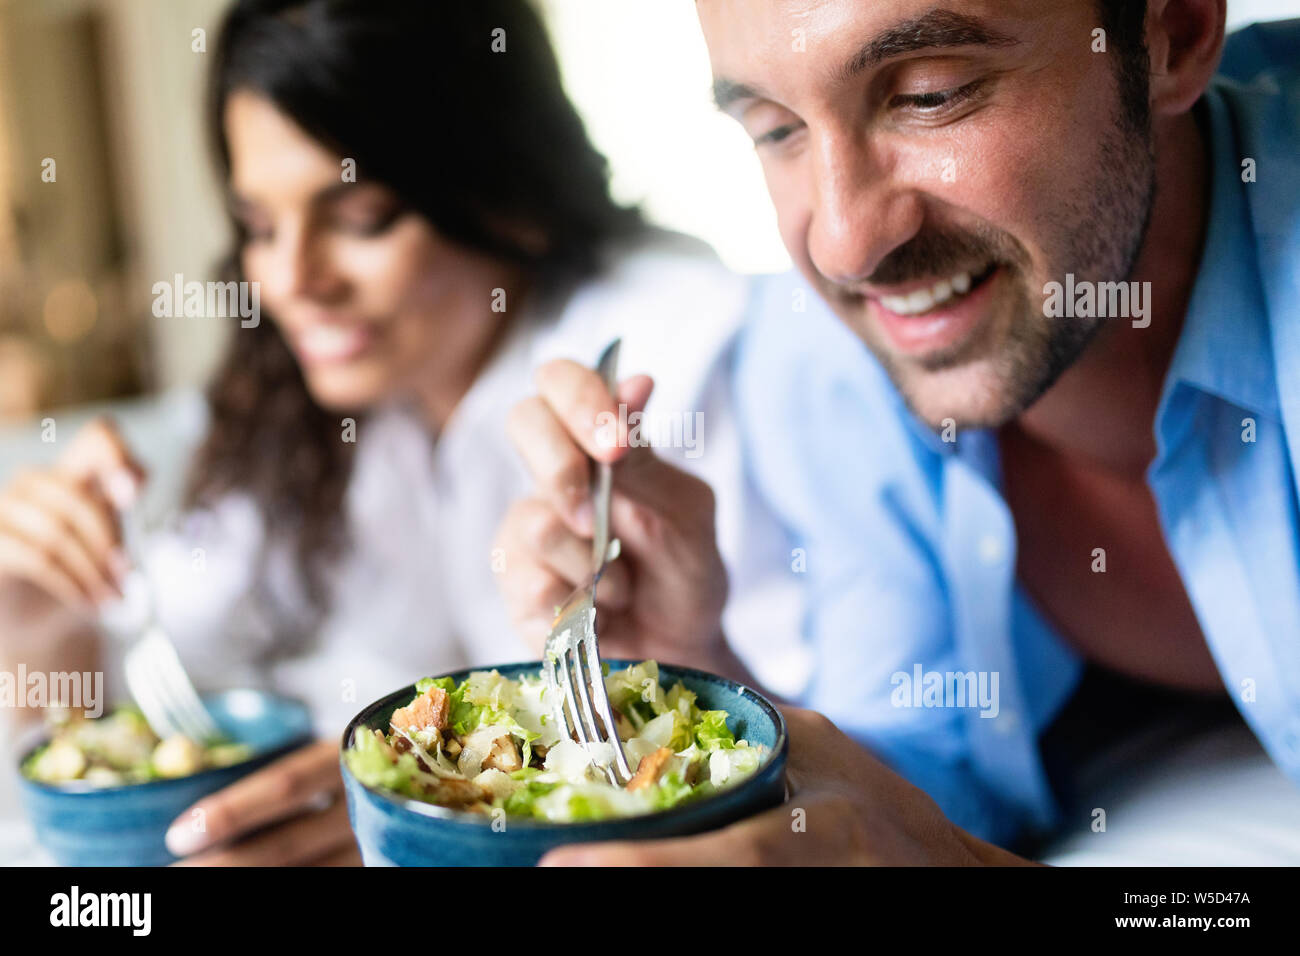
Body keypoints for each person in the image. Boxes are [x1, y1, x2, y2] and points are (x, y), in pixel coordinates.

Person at [495, 0, 1300, 864]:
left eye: (929, 95)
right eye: (776, 129)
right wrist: (695, 684)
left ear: (1171, 32)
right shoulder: (823, 359)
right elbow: (912, 789)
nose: (844, 245)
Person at [0, 0, 800, 865]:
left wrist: (413, 808)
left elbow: (811, 755)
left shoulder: (678, 348)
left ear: (503, 193)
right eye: (260, 228)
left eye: (360, 217)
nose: (293, 279)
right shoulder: (316, 396)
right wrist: (45, 626)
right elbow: (199, 667)